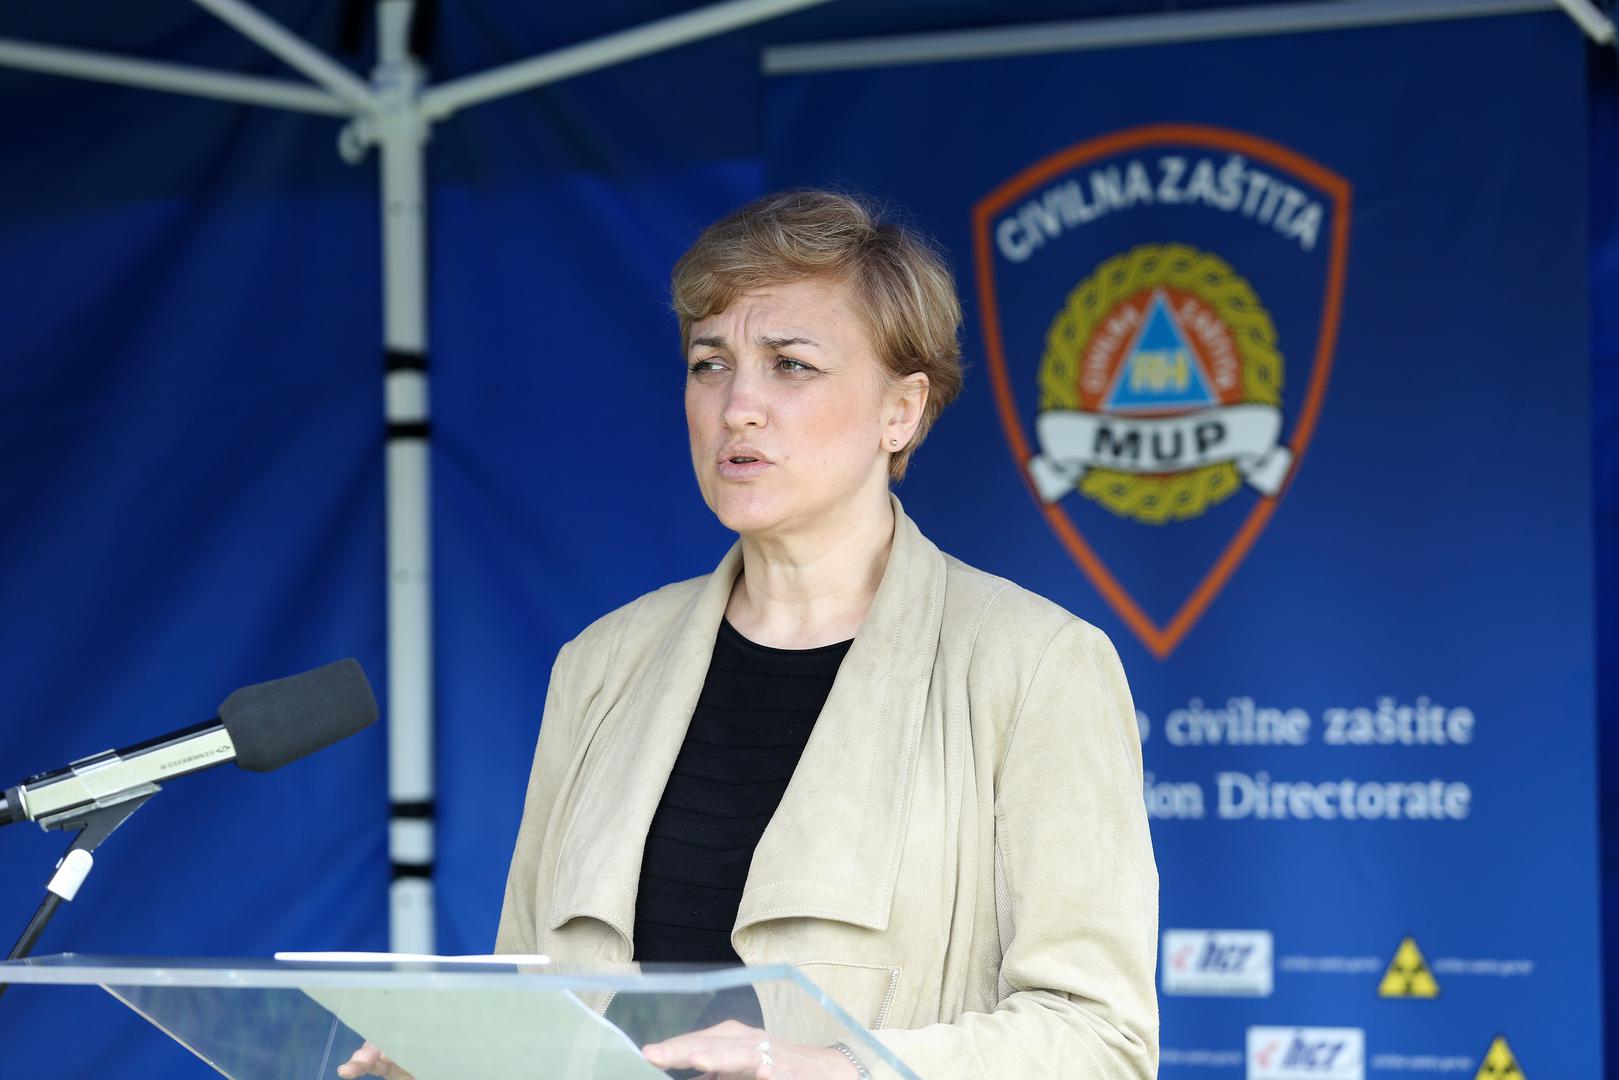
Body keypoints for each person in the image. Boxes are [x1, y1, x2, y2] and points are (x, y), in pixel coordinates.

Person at [342, 190, 1157, 1080]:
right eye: (709, 364)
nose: (738, 406)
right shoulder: (602, 664)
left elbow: (1100, 1042)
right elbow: (531, 1003)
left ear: (901, 411)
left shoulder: (1036, 667)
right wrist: (460, 1059)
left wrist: (838, 1068)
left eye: (790, 365)